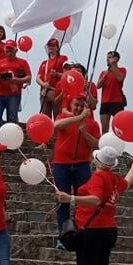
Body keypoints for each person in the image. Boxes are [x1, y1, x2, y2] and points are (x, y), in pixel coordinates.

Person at [52, 95, 101, 247]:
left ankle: (82, 233)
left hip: (82, 165)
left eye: (81, 105)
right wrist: (78, 118)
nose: (79, 108)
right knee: (62, 201)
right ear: (71, 105)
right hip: (61, 164)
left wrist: (85, 132)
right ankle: (64, 236)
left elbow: (97, 145)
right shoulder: (63, 116)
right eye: (76, 105)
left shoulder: (92, 124)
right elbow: (56, 125)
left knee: (84, 202)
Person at [0, 40, 31, 136]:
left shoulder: (22, 62)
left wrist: (16, 80)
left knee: (12, 118)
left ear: (16, 50)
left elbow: (28, 78)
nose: (9, 53)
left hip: (14, 95)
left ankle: (11, 143)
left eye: (11, 50)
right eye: (7, 51)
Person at [96, 50, 127, 134]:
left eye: (109, 58)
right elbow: (98, 86)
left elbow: (119, 78)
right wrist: (103, 77)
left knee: (119, 126)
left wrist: (113, 66)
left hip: (117, 102)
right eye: (107, 58)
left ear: (116, 59)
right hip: (105, 102)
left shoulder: (122, 70)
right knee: (104, 127)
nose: (107, 60)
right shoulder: (104, 72)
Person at [36, 38, 68, 118]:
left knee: (58, 115)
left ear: (57, 47)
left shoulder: (63, 59)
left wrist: (57, 74)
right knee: (45, 116)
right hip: (44, 91)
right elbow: (37, 77)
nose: (51, 47)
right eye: (49, 45)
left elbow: (67, 74)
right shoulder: (44, 63)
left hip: (56, 91)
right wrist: (43, 84)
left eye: (53, 45)